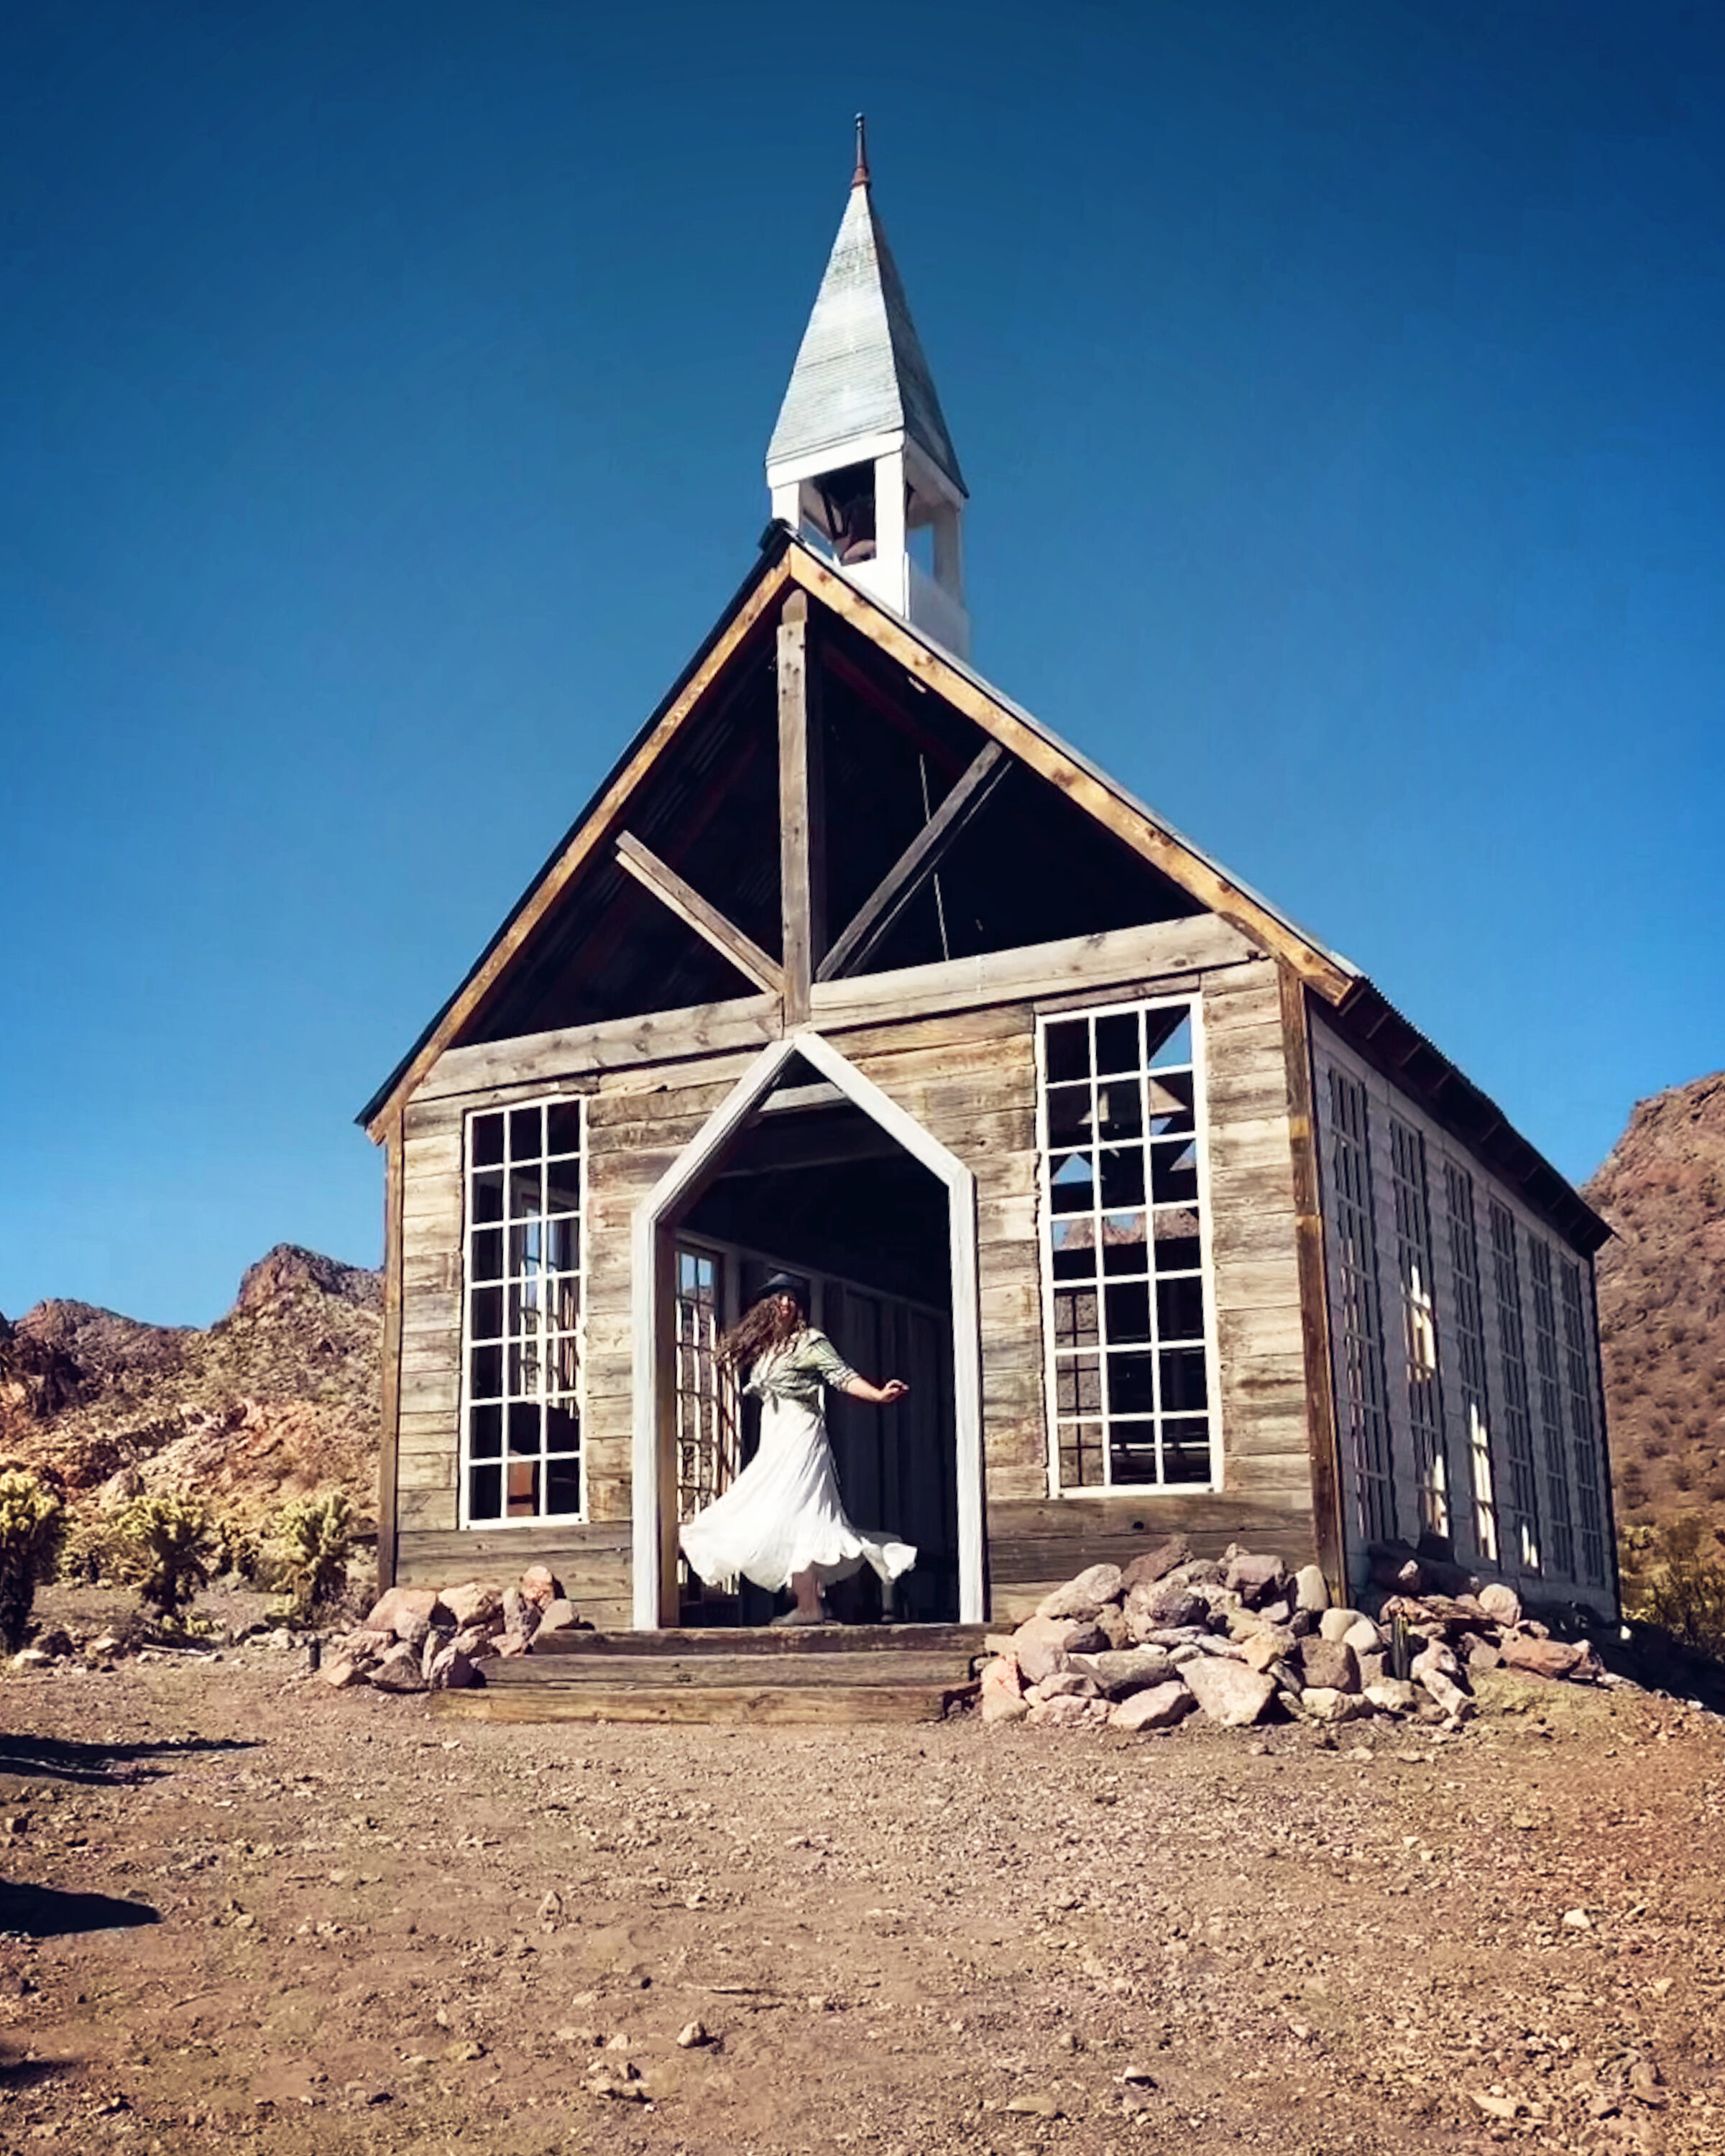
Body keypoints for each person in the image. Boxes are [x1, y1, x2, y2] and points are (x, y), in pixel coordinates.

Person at [679, 1273, 916, 1626]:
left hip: (802, 1437)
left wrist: (878, 1395)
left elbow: (842, 1375)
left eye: (792, 1298)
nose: (786, 1303)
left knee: (803, 1518)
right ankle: (809, 1604)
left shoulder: (811, 1342)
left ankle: (810, 1606)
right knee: (779, 1516)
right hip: (775, 1440)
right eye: (779, 1297)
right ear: (767, 1306)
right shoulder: (768, 1348)